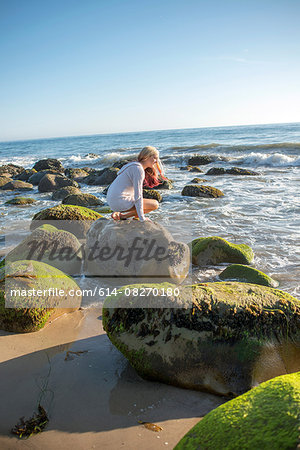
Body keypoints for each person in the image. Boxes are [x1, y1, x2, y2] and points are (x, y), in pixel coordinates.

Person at [107, 146, 167, 222]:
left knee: (145, 204)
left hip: (112, 201)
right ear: (146, 157)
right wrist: (142, 218)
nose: (156, 161)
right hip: (119, 201)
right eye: (154, 158)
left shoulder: (133, 165)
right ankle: (122, 216)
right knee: (155, 204)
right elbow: (138, 196)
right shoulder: (138, 169)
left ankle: (120, 215)